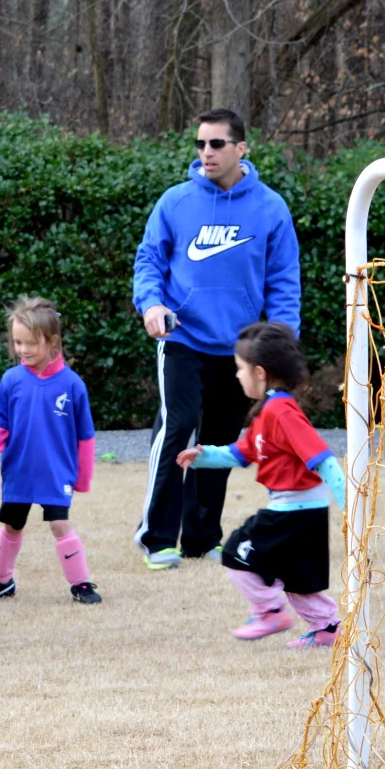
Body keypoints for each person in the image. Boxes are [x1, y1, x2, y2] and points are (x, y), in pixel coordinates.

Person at [132, 106, 302, 571]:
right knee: (178, 426)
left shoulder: (270, 207)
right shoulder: (175, 202)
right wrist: (152, 304)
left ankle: (201, 538)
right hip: (182, 339)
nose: (206, 152)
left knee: (220, 442)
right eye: (200, 144)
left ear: (241, 148)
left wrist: (281, 337)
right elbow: (149, 262)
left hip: (239, 348)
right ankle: (156, 538)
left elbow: (284, 279)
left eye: (217, 144)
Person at [177, 322, 346, 649]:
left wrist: (351, 507)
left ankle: (269, 612)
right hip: (301, 510)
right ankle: (327, 628)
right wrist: (204, 455)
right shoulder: (269, 410)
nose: (237, 375)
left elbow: (323, 459)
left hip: (294, 511)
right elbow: (243, 452)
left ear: (259, 372)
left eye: (239, 368)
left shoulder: (281, 411)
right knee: (296, 576)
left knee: (235, 552)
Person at [0, 296, 101, 605]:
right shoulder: (11, 380)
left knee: (59, 524)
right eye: (17, 342)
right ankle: (1, 581)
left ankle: (81, 584)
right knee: (12, 525)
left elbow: (85, 437)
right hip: (19, 471)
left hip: (56, 472)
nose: (23, 350)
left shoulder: (72, 385)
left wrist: (83, 478)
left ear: (52, 341)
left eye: (30, 343)